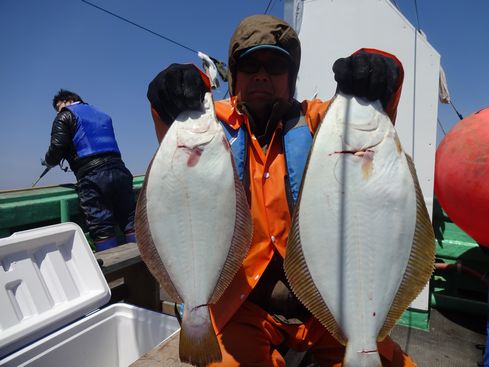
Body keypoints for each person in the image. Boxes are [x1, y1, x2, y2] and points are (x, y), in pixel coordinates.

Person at [147, 14, 414, 366]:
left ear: (291, 77)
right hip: (244, 307)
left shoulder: (322, 122)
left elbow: (370, 120)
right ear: (234, 75)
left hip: (331, 306)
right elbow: (173, 142)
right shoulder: (208, 126)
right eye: (249, 65)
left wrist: (383, 73)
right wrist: (171, 95)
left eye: (274, 65)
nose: (261, 74)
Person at [42, 89, 136, 251]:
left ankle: (112, 271)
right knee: (130, 221)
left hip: (92, 176)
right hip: (120, 171)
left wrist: (49, 162)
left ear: (70, 100)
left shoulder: (65, 115)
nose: (59, 111)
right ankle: (142, 266)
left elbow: (57, 147)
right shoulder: (102, 114)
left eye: (59, 106)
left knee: (102, 226)